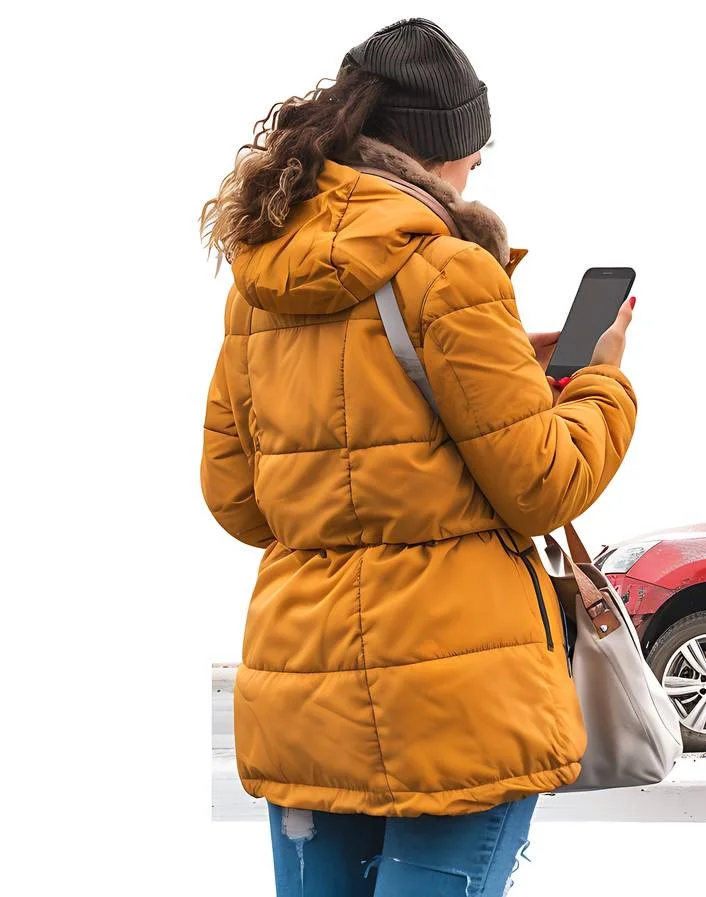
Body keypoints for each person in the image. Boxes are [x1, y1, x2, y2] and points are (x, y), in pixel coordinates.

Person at [198, 18, 638, 896]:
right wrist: (603, 385)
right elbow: (543, 485)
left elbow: (238, 499)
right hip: (455, 699)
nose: (477, 169)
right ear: (441, 150)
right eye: (475, 152)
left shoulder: (261, 287)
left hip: (304, 692)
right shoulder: (448, 270)